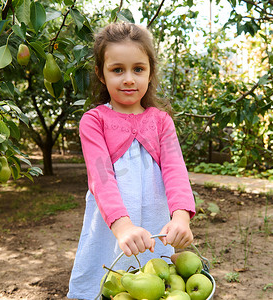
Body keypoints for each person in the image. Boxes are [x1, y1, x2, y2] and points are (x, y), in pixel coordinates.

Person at [67, 22, 196, 300]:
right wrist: (122, 226)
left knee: (155, 285)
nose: (128, 79)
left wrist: (181, 217)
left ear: (150, 73)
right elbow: (101, 179)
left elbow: (176, 172)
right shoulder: (94, 121)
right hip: (112, 225)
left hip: (153, 223)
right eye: (117, 70)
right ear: (101, 75)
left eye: (138, 69)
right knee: (109, 285)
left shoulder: (161, 121)